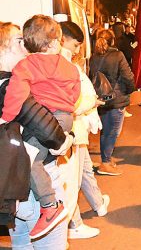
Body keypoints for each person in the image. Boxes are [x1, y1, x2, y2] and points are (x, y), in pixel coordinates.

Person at [0, 15, 79, 239]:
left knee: (23, 242)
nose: (24, 44)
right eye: (18, 40)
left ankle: (49, 204)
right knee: (32, 158)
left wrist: (6, 117)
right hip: (63, 117)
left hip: (16, 185)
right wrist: (64, 138)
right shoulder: (67, 65)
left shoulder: (25, 68)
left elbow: (21, 104)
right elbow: (74, 92)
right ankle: (50, 205)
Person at [59, 21, 110, 239]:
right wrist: (91, 102)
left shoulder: (66, 63)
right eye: (76, 44)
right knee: (72, 179)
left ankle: (98, 204)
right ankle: (74, 224)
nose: (79, 49)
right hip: (70, 129)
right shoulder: (61, 65)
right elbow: (72, 103)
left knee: (84, 170)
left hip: (75, 128)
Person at [90, 29, 135, 176]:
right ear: (112, 40)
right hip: (116, 99)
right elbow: (128, 77)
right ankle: (106, 163)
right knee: (113, 131)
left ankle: (106, 159)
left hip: (101, 98)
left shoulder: (94, 57)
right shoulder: (118, 55)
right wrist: (128, 91)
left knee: (106, 131)